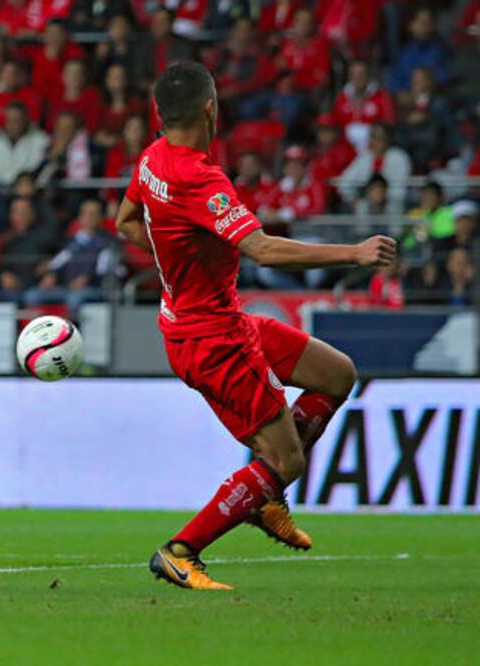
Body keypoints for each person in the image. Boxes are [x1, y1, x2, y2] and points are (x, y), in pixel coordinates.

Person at [115, 62, 396, 590]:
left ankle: (264, 495)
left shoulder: (151, 159)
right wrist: (353, 253)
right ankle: (181, 551)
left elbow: (126, 222)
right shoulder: (199, 177)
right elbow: (262, 249)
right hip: (210, 338)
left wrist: (180, 263)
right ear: (209, 108)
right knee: (286, 459)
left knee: (336, 375)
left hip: (221, 318)